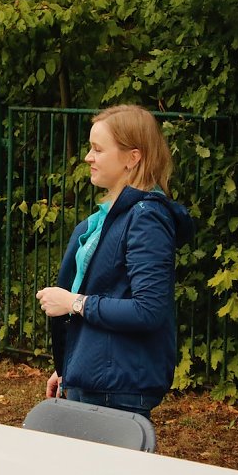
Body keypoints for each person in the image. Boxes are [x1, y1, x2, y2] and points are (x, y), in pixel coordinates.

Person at [36, 105, 194, 419]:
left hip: (117, 389)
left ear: (132, 157)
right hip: (92, 381)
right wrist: (70, 367)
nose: (88, 157)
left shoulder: (147, 217)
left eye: (97, 149)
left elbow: (148, 309)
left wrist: (74, 302)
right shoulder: (104, 220)